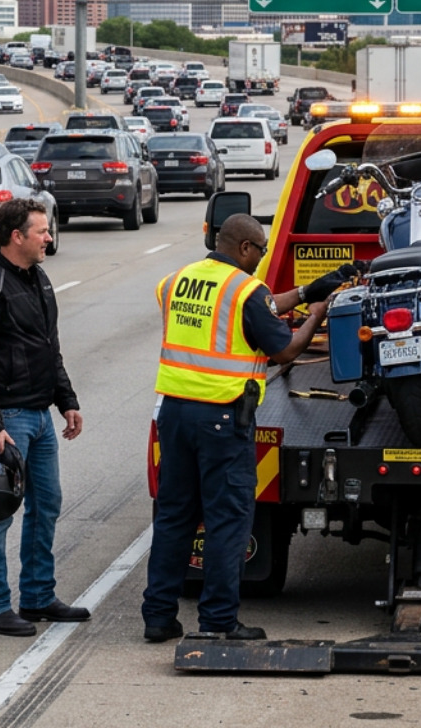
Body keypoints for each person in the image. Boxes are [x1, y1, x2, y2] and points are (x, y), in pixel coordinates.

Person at [142, 213, 354, 643]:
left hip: (174, 415)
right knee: (228, 520)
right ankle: (219, 620)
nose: (261, 258)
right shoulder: (245, 290)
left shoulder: (176, 280)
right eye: (259, 249)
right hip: (221, 419)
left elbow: (251, 307)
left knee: (174, 517)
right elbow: (286, 350)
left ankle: (159, 617)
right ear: (244, 248)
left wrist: (307, 290)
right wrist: (316, 312)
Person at [0, 197, 87, 637]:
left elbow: (49, 345)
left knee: (46, 504)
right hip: (4, 420)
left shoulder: (38, 278)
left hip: (40, 414)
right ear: (17, 236)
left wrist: (66, 399)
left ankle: (36, 597)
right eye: (42, 231)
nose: (49, 237)